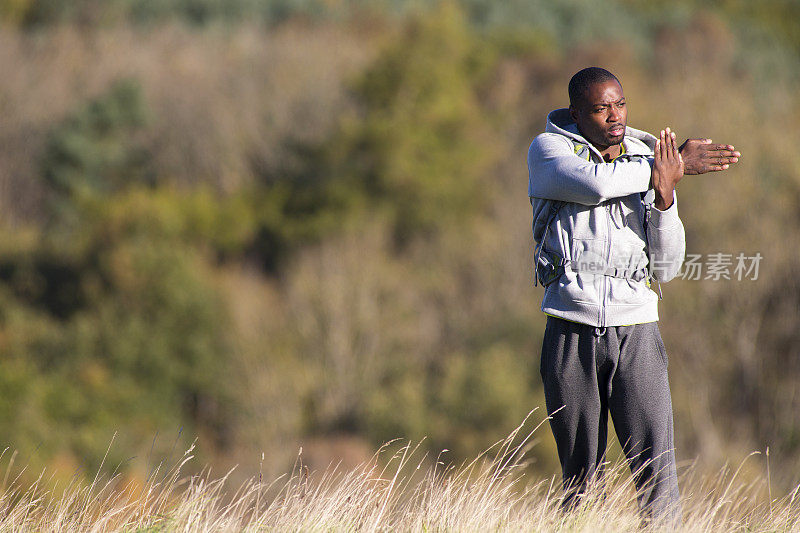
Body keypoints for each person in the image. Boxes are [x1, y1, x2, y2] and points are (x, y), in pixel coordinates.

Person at [527, 67, 740, 522]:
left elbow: (666, 266)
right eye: (600, 108)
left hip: (638, 329)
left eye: (619, 104)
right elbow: (595, 185)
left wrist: (664, 200)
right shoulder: (549, 151)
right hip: (570, 324)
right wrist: (671, 165)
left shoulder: (651, 158)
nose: (614, 116)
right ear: (575, 113)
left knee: (657, 471)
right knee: (581, 477)